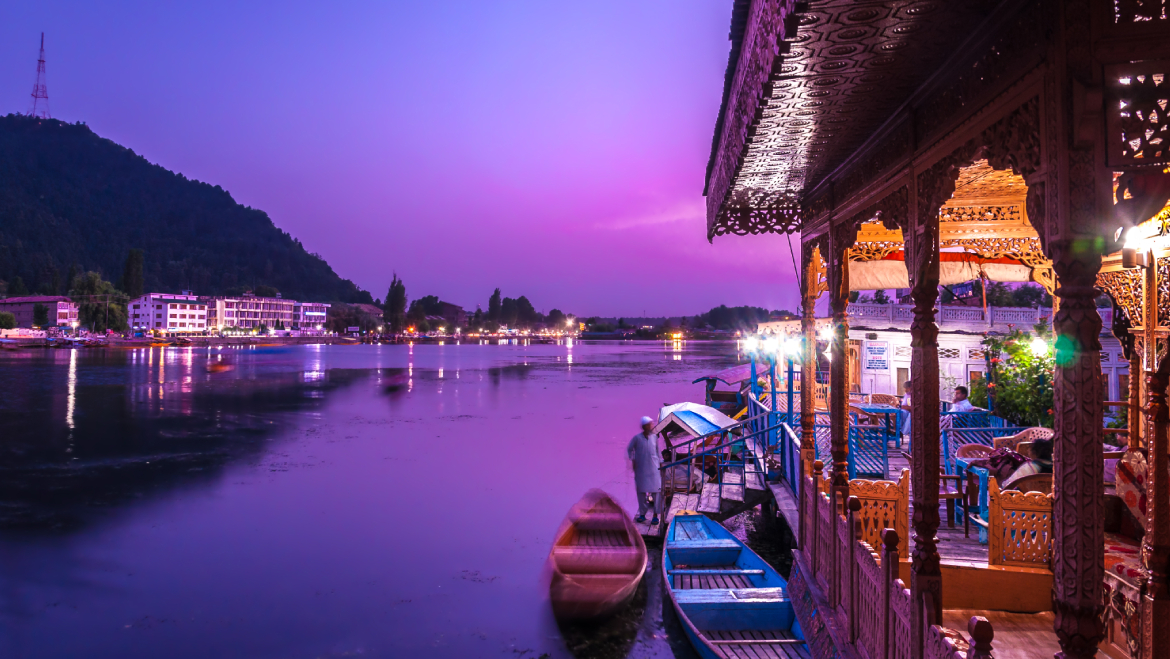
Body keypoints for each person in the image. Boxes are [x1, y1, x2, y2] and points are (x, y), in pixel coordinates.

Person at [627, 416, 662, 525]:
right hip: (641, 469)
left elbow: (657, 452)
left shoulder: (655, 437)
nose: (651, 426)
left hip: (654, 469)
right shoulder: (637, 438)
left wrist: (660, 463)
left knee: (656, 492)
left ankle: (655, 516)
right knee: (641, 492)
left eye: (651, 424)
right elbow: (629, 449)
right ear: (644, 426)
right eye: (649, 424)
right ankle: (642, 514)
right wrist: (633, 460)